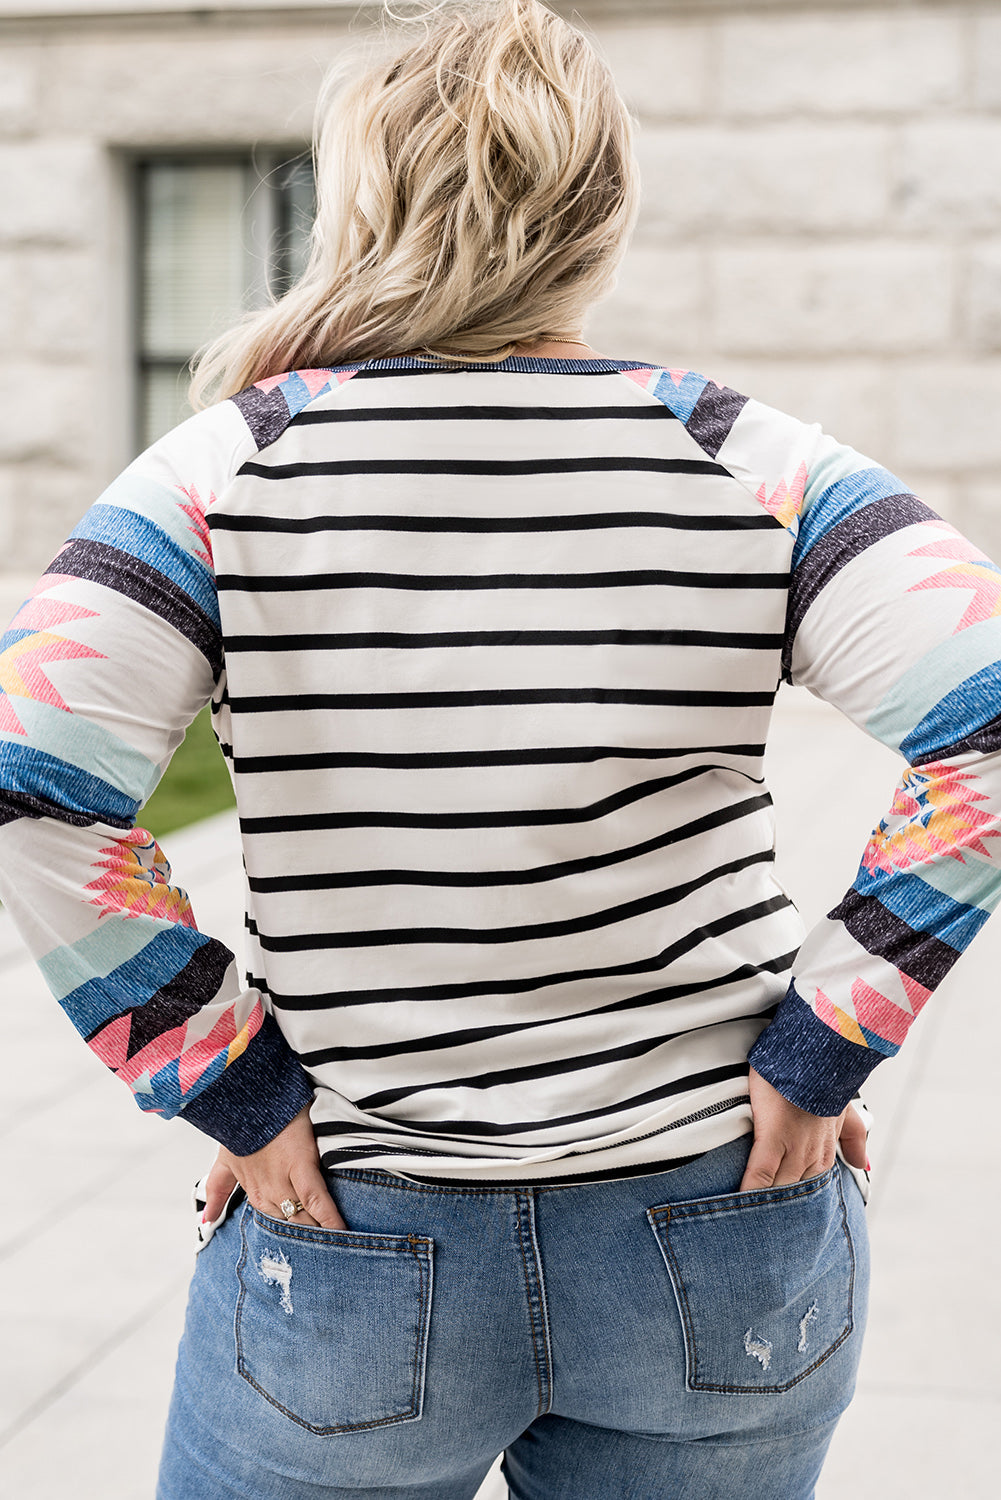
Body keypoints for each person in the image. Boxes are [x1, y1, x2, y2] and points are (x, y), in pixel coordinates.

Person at [0, 1, 998, 1495]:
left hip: (356, 1240)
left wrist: (228, 1076)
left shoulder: (224, 473)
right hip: (720, 1225)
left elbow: (34, 786)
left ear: (358, 204)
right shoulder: (751, 463)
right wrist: (824, 1043)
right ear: (603, 217)